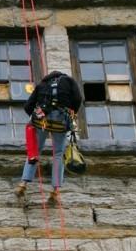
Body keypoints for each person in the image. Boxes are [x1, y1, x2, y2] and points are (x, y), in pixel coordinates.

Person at [14, 70, 84, 204]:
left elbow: (28, 106)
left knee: (35, 150)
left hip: (42, 120)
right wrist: (72, 112)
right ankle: (54, 191)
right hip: (61, 120)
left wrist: (33, 116)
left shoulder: (42, 84)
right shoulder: (69, 81)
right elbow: (77, 98)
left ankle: (23, 184)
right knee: (58, 153)